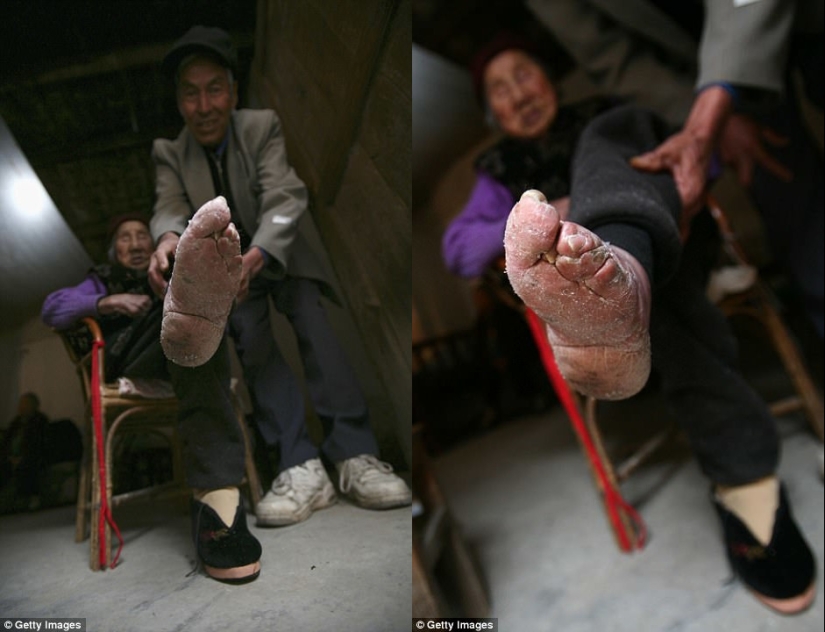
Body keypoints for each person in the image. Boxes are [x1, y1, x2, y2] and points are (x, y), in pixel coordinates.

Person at [446, 36, 816, 615]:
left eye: (524, 74)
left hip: (678, 238)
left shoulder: (608, 115)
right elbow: (459, 249)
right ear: (491, 112)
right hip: (650, 282)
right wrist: (552, 212)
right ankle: (741, 473)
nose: (518, 94)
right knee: (662, 302)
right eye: (500, 89)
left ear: (549, 77)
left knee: (612, 139)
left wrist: (641, 194)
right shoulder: (495, 173)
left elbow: (702, 158)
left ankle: (624, 282)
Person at [148, 26, 410, 529]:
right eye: (190, 93)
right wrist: (165, 240)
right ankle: (298, 465)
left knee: (313, 321)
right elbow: (168, 208)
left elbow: (284, 195)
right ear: (179, 103)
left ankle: (355, 455)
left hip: (278, 252)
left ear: (233, 92)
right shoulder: (169, 153)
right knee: (251, 341)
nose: (203, 106)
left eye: (214, 89)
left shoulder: (261, 125)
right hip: (228, 275)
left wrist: (258, 255)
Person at [526, 0, 824, 340]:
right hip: (700, 76)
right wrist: (710, 117)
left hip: (795, 21)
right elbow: (611, 55)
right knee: (788, 193)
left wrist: (711, 111)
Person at [43, 211, 263, 584]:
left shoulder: (165, 271)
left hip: (179, 354)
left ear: (154, 242)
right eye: (125, 237)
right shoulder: (101, 280)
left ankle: (216, 492)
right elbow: (52, 308)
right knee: (189, 313)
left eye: (142, 235)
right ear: (114, 250)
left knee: (189, 312)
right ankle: (216, 489)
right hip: (134, 356)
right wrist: (108, 302)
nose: (135, 243)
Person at [0, 393, 48, 511]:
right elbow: (6, 442)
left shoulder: (40, 422)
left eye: (26, 404)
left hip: (30, 457)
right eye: (21, 404)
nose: (22, 407)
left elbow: (38, 445)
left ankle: (29, 499)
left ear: (34, 406)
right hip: (11, 458)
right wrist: (9, 457)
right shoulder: (15, 423)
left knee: (27, 467)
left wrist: (22, 458)